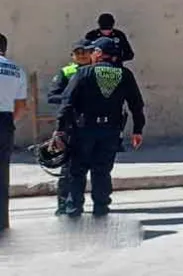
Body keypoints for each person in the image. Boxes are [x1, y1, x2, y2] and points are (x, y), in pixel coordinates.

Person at [54, 37, 146, 217]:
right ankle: (101, 211)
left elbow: (67, 103)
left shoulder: (84, 73)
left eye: (92, 51)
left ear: (99, 54)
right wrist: (138, 130)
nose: (89, 55)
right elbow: (136, 104)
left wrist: (60, 129)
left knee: (77, 172)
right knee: (102, 171)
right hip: (110, 132)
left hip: (83, 131)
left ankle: (74, 212)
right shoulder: (124, 74)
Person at [47, 39, 94, 215]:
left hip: (92, 125)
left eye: (84, 51)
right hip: (71, 126)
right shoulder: (66, 72)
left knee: (96, 168)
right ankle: (63, 205)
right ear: (72, 56)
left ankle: (93, 205)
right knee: (68, 168)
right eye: (77, 52)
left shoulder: (97, 72)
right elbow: (52, 96)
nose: (81, 55)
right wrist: (71, 99)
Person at [0, 33, 29, 232]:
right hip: (5, 122)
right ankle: (2, 222)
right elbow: (21, 106)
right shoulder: (16, 70)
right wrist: (10, 122)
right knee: (2, 174)